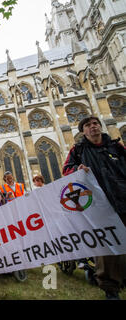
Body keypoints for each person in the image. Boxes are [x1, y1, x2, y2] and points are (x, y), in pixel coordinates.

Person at [63, 115, 126, 300]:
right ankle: (110, 289)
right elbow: (66, 170)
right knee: (106, 247)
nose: (93, 127)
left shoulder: (116, 146)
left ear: (100, 126)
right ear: (83, 131)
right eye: (88, 125)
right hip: (100, 203)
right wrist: (77, 170)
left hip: (123, 197)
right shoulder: (79, 150)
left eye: (95, 124)